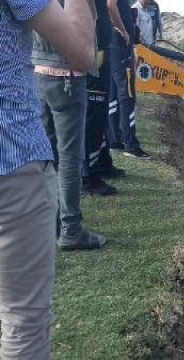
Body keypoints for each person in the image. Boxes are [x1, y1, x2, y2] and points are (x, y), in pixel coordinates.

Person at [1, 0, 96, 356]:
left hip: (41, 82)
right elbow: (82, 52)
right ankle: (71, 227)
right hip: (11, 158)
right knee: (23, 323)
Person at [33, 2, 107, 250]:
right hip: (66, 76)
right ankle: (71, 228)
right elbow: (83, 48)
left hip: (39, 71)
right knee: (70, 157)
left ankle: (50, 223)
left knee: (48, 153)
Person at [83, 0, 128, 196]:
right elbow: (108, 5)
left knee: (100, 117)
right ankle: (88, 176)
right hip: (94, 57)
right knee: (93, 118)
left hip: (102, 51)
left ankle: (102, 161)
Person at [107, 0, 151, 159]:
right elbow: (110, 5)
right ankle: (131, 145)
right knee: (128, 95)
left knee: (114, 94)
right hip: (119, 46)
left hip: (117, 47)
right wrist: (123, 30)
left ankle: (114, 140)